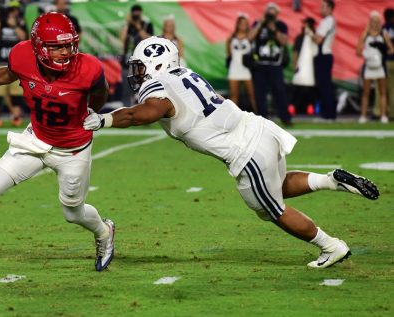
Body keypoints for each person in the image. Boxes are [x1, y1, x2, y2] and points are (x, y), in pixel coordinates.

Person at [84, 36, 380, 269]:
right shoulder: (186, 73)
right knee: (276, 188)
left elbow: (147, 112)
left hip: (245, 152)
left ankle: (332, 246)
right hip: (259, 128)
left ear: (157, 63)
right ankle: (331, 180)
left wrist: (105, 119)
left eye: (140, 66)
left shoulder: (159, 85)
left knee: (272, 211)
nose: (137, 73)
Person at [0, 12, 115, 272]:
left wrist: (92, 112)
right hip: (35, 140)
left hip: (72, 150)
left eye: (69, 45)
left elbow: (101, 92)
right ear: (39, 47)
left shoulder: (88, 68)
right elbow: (9, 74)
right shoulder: (22, 55)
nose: (66, 52)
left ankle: (104, 232)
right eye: (57, 47)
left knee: (73, 213)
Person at [248, 2, 291, 125]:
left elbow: (284, 42)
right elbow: (250, 37)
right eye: (268, 13)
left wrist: (274, 28)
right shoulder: (259, 23)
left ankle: (285, 118)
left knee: (279, 91)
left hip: (275, 65)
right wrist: (260, 24)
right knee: (260, 93)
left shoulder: (281, 25)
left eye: (272, 13)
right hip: (260, 64)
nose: (270, 16)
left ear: (277, 14)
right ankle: (263, 119)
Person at [0, 0, 27, 127]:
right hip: (0, 62)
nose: (13, 13)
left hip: (16, 63)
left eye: (15, 10)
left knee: (16, 93)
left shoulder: (20, 22)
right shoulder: (0, 22)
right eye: (11, 10)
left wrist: (15, 26)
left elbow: (24, 38)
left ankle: (16, 117)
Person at [356, 11, 394, 124]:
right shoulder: (365, 34)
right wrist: (366, 54)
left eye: (377, 21)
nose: (375, 23)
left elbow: (391, 49)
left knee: (382, 92)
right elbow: (358, 51)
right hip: (369, 66)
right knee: (366, 92)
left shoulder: (384, 34)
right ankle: (363, 116)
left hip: (380, 66)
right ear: (370, 22)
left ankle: (383, 116)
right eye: (373, 21)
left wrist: (382, 50)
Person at [119, 4, 153, 106]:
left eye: (138, 13)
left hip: (142, 60)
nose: (136, 15)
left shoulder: (147, 25)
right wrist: (127, 24)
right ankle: (126, 105)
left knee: (141, 83)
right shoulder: (127, 25)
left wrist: (138, 27)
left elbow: (149, 39)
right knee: (126, 84)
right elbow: (122, 39)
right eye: (134, 13)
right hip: (127, 60)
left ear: (141, 13)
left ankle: (142, 104)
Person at [309, 0, 336, 121]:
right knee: (323, 85)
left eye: (323, 6)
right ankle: (326, 113)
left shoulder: (328, 20)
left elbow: (318, 40)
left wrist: (310, 32)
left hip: (323, 56)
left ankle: (328, 114)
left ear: (330, 8)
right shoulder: (326, 21)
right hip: (322, 56)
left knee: (325, 86)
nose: (321, 8)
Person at [226, 13, 257, 114]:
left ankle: (258, 115)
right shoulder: (231, 37)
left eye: (245, 24)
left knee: (251, 94)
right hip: (234, 68)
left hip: (246, 68)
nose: (243, 26)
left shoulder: (249, 36)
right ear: (238, 24)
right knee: (234, 95)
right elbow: (229, 54)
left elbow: (257, 29)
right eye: (241, 23)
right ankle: (233, 116)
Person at [291, 17, 318, 115]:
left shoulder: (314, 37)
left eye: (306, 24)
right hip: (301, 66)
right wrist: (295, 63)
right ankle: (293, 107)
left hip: (311, 67)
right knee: (298, 87)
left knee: (310, 89)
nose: (304, 26)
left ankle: (311, 107)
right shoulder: (300, 37)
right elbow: (295, 51)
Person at [381, 8, 394, 119]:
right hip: (389, 59)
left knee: (384, 89)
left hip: (388, 60)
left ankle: (382, 112)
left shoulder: (384, 28)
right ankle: (392, 113)